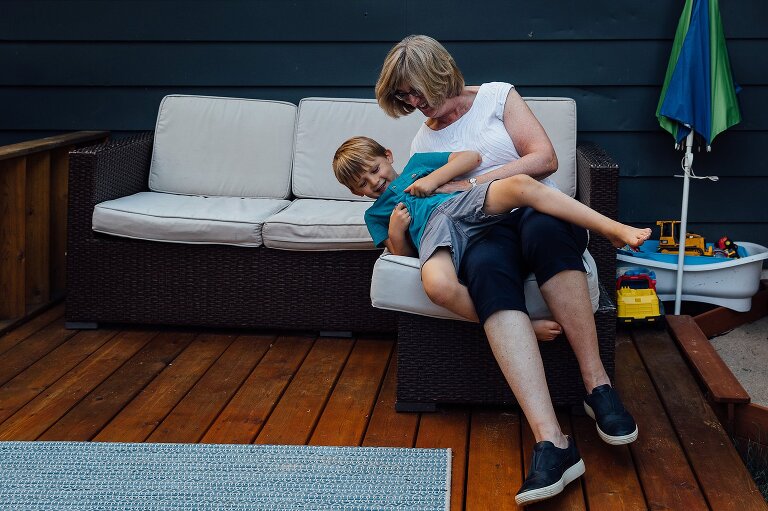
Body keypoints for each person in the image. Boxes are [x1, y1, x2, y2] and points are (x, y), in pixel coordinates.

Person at [375, 34, 639, 506]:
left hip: (535, 210)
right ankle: (552, 441)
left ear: (438, 73)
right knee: (484, 268)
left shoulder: (497, 96)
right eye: (404, 97)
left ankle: (597, 386)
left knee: (545, 232)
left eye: (415, 91)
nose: (413, 103)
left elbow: (544, 160)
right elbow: (431, 206)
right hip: (481, 229)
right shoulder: (423, 139)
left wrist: (472, 182)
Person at [332, 136, 650, 323]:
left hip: (461, 204)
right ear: (356, 192)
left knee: (521, 184)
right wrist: (396, 232)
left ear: (388, 156)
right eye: (363, 183)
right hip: (434, 233)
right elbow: (402, 257)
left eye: (375, 169)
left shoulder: (417, 165)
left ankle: (613, 228)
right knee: (438, 287)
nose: (374, 181)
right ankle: (523, 324)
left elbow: (470, 157)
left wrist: (434, 179)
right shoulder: (375, 215)